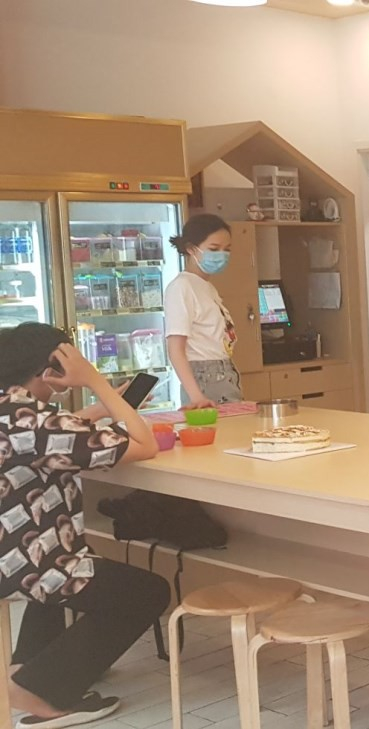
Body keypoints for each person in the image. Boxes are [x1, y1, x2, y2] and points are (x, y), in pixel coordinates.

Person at [0, 323, 169, 727]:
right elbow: (144, 444)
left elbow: (55, 430)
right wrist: (97, 383)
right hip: (24, 562)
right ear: (51, 369)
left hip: (14, 552)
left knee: (71, 561)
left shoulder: (15, 409)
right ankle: (39, 691)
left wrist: (107, 405)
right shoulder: (36, 422)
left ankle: (27, 667)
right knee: (147, 592)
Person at [165, 214, 240, 409]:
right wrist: (197, 397)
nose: (222, 255)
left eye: (227, 249)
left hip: (224, 372)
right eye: (214, 249)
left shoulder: (206, 286)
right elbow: (176, 349)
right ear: (191, 249)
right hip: (205, 377)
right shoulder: (182, 287)